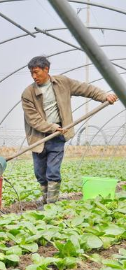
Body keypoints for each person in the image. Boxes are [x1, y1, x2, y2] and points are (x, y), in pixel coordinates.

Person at [21, 56, 117, 208]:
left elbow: (86, 89)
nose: (34, 76)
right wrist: (51, 127)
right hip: (39, 137)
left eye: (36, 72)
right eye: (31, 73)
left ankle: (51, 204)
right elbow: (33, 119)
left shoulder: (62, 83)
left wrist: (104, 96)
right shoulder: (28, 93)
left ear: (46, 69)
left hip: (59, 133)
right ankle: (45, 199)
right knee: (40, 172)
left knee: (52, 171)